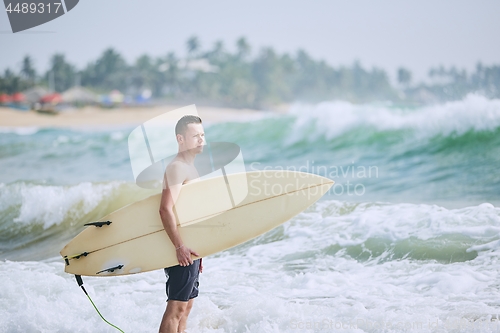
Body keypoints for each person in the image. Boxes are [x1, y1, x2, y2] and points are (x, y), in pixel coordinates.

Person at [158, 115, 205, 333]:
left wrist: (203, 251)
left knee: (186, 307)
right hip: (180, 248)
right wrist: (179, 246)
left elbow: (190, 212)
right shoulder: (177, 167)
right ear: (180, 139)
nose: (201, 140)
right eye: (195, 136)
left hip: (191, 248)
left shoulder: (189, 167)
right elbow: (165, 209)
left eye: (202, 135)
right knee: (176, 307)